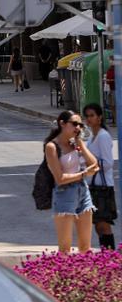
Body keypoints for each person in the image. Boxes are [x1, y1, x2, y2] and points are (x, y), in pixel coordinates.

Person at [44, 110, 99, 253]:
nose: (78, 128)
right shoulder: (52, 147)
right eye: (74, 124)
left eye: (80, 125)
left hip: (83, 191)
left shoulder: (75, 144)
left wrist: (81, 143)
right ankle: (64, 275)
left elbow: (95, 164)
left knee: (86, 247)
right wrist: (84, 174)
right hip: (65, 194)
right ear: (62, 123)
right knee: (65, 249)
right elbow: (59, 178)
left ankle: (85, 275)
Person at [84, 103, 116, 249]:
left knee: (103, 224)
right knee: (98, 225)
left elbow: (108, 163)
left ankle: (110, 257)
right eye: (87, 116)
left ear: (99, 117)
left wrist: (92, 164)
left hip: (103, 187)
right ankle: (106, 257)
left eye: (92, 115)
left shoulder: (103, 136)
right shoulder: (91, 137)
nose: (89, 119)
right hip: (93, 185)